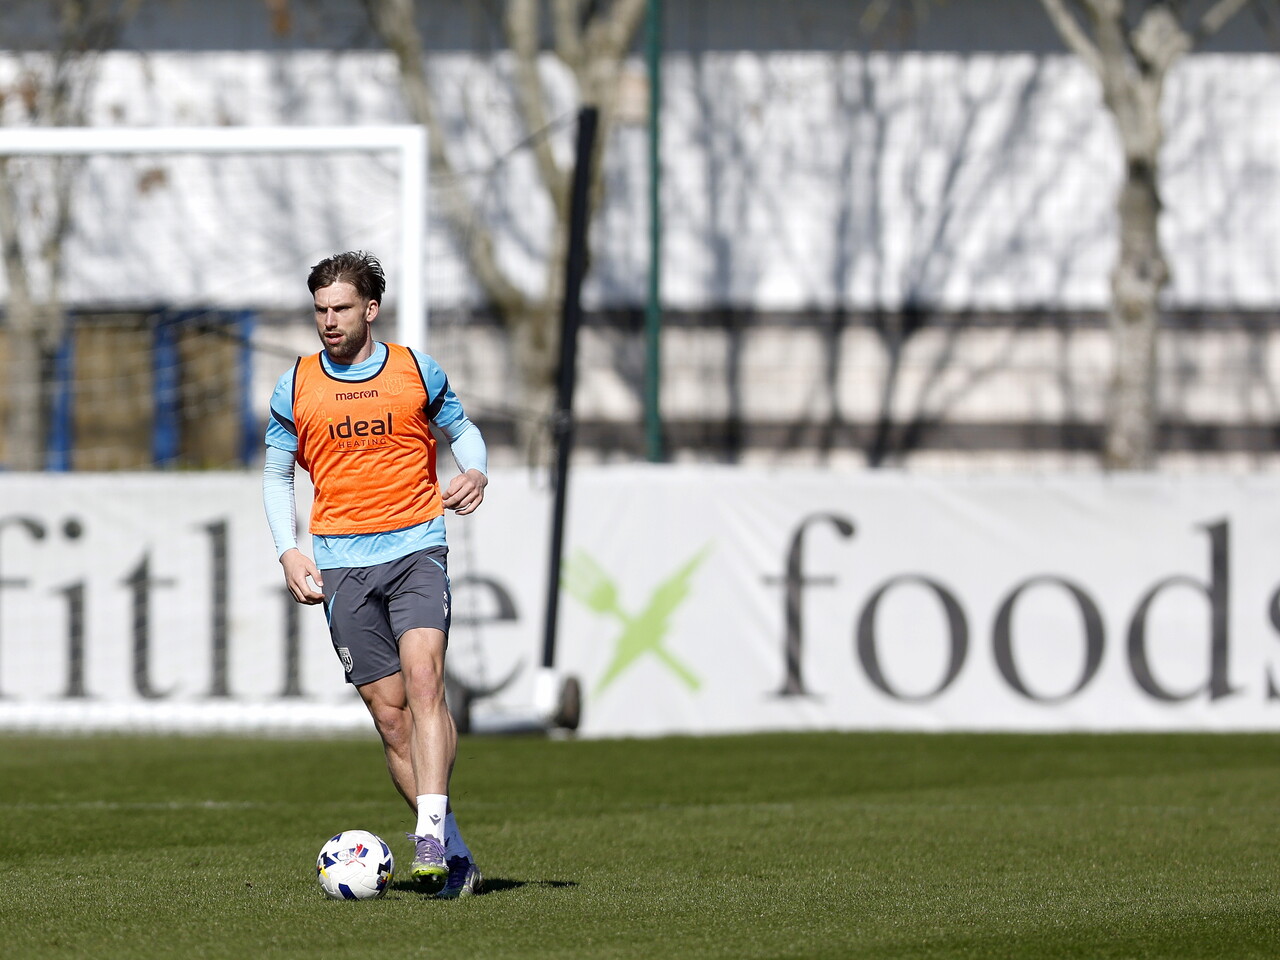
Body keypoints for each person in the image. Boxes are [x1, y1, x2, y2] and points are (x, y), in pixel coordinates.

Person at [262, 250, 487, 899]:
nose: (328, 321)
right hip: (341, 562)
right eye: (319, 310)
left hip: (418, 547)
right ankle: (455, 850)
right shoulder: (296, 385)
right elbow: (278, 474)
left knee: (425, 680)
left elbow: (463, 432)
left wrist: (475, 471)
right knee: (391, 719)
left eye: (340, 308)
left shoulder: (416, 370)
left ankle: (427, 836)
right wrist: (289, 549)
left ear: (370, 308)